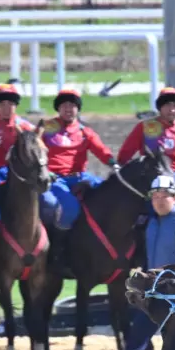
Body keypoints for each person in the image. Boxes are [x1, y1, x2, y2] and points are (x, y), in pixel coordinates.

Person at [99, 175, 175, 350]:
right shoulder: (151, 223)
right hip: (154, 291)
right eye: (156, 196)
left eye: (164, 196)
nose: (159, 200)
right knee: (139, 333)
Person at [41, 88, 118, 258]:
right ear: (58, 108)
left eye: (72, 105)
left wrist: (113, 163)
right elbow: (34, 151)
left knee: (110, 194)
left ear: (78, 109)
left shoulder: (85, 132)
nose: (68, 109)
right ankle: (59, 247)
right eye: (64, 105)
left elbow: (101, 151)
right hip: (55, 178)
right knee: (69, 208)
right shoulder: (46, 129)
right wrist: (46, 172)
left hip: (80, 176)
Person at [117, 87, 175, 196]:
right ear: (160, 107)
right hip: (153, 180)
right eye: (168, 105)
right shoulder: (144, 127)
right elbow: (125, 155)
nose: (172, 110)